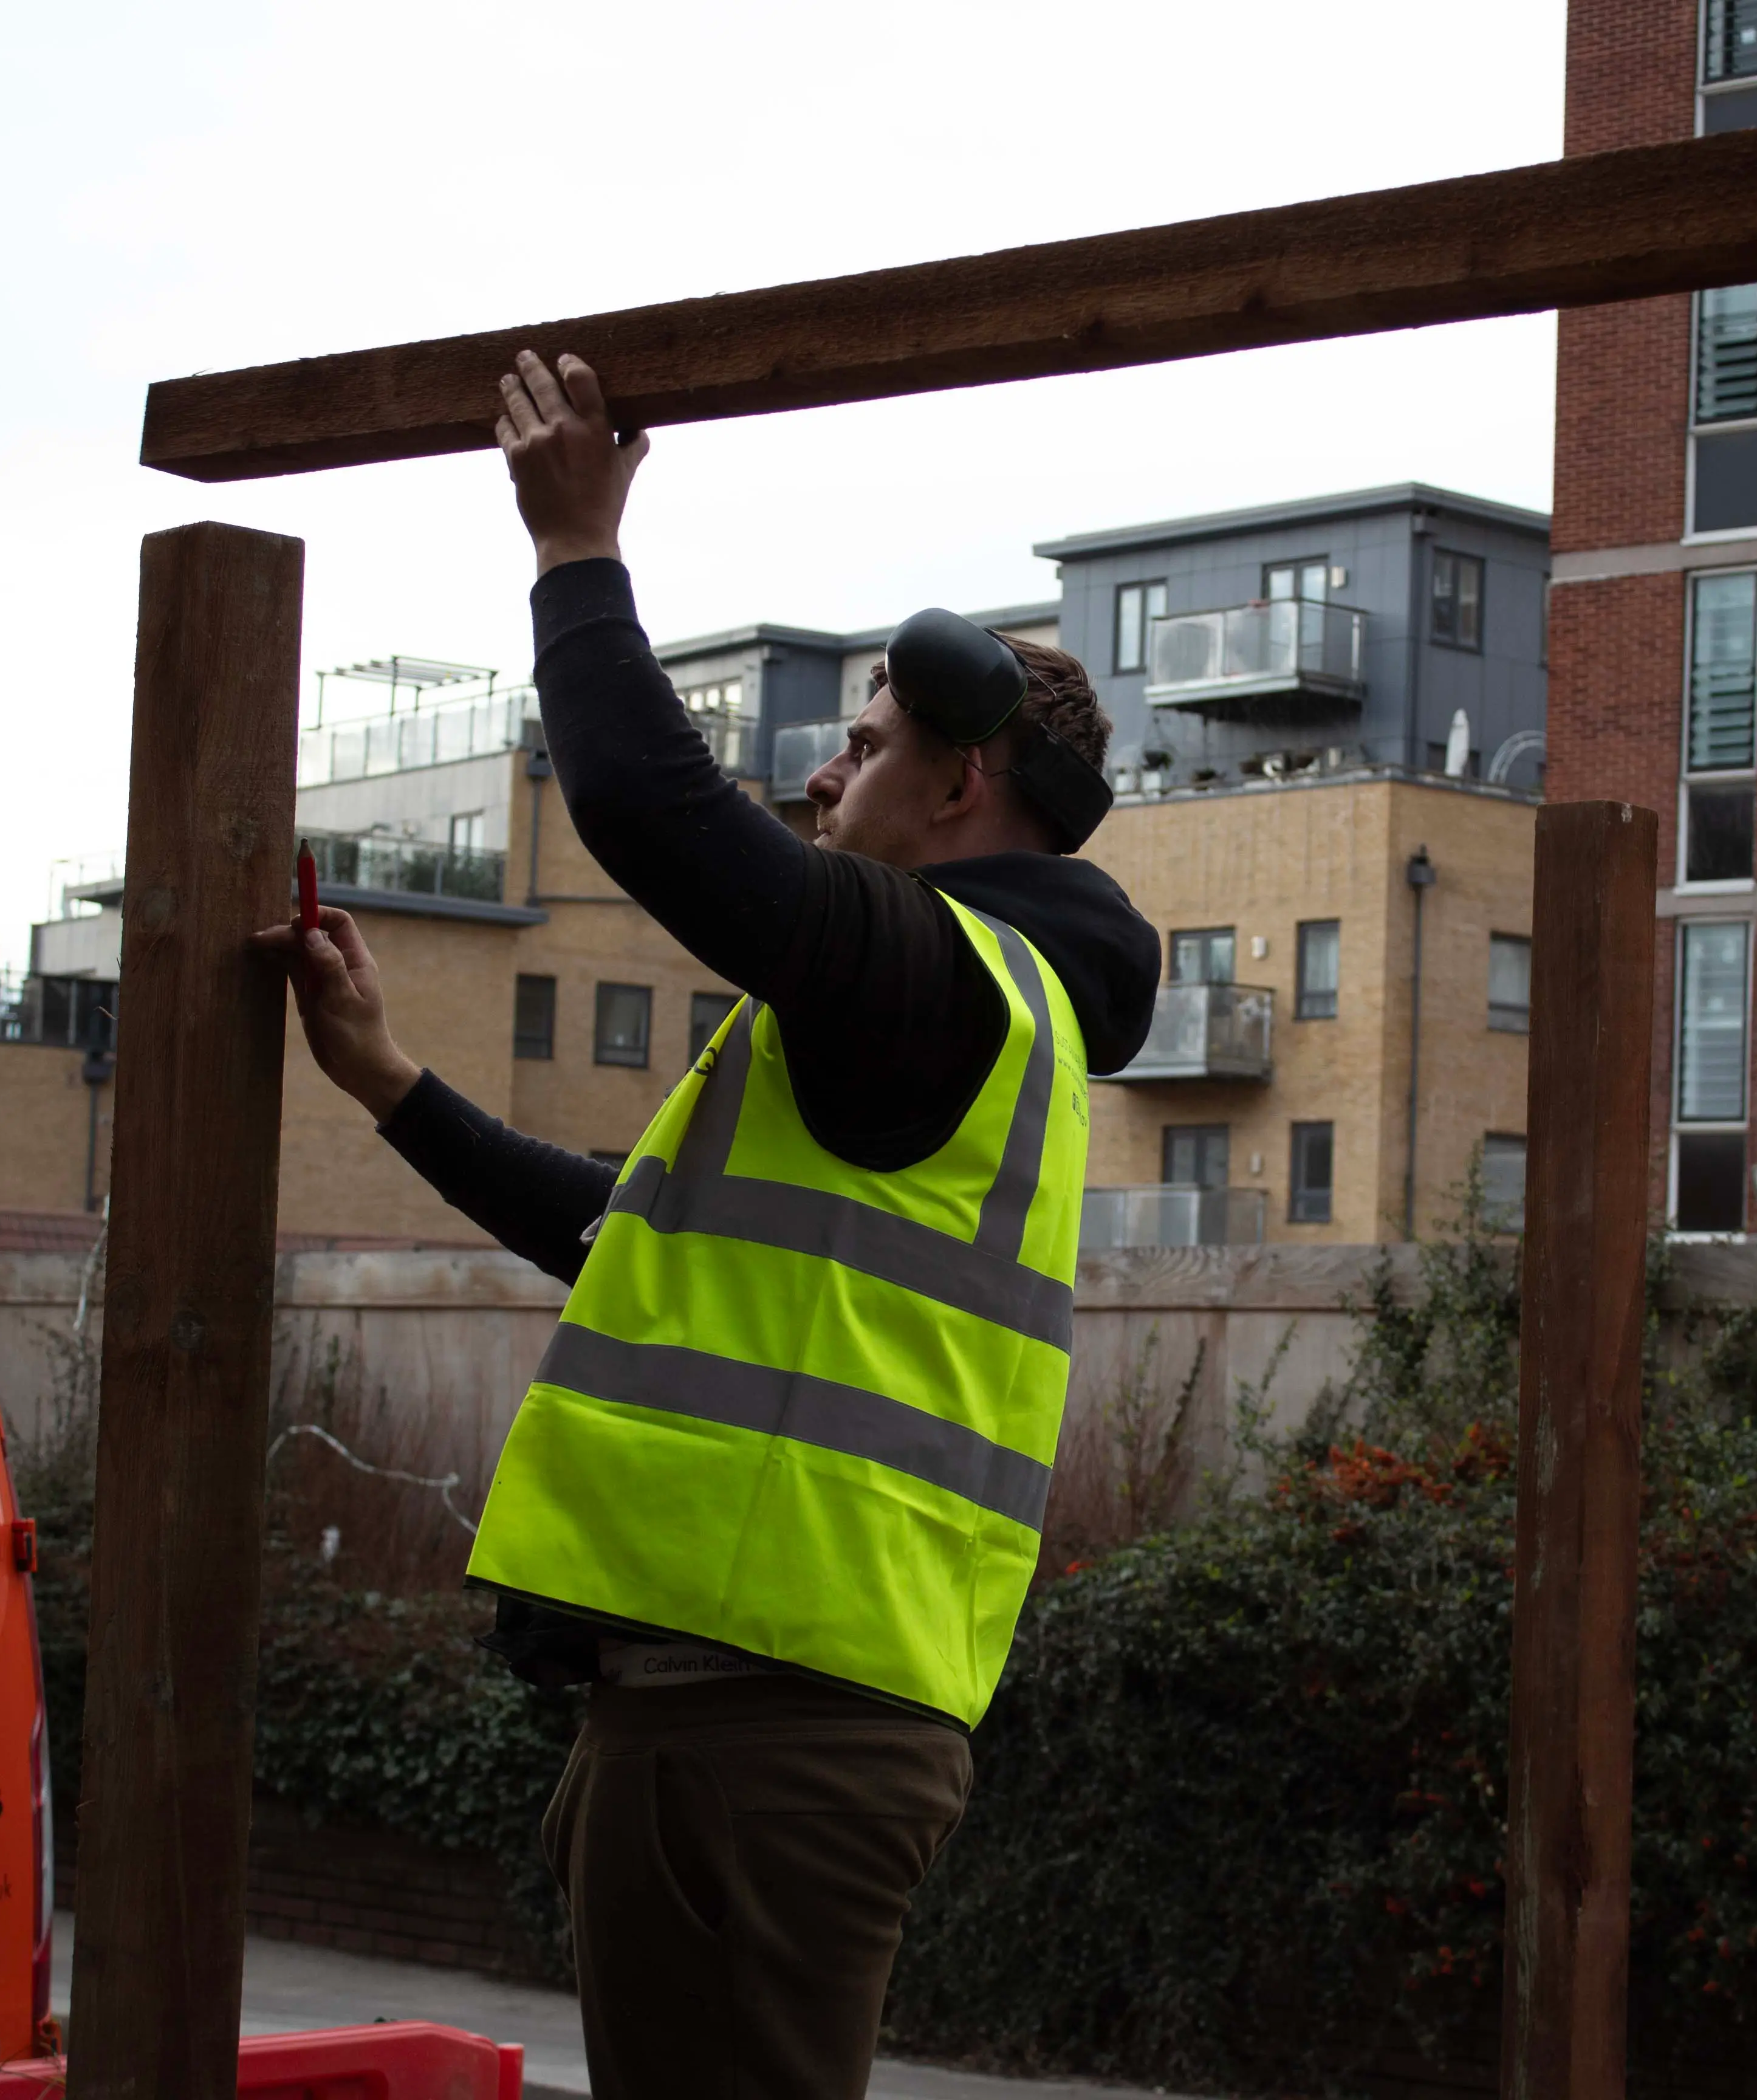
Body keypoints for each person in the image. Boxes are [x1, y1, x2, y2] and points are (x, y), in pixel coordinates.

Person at [260, 349, 1160, 2100]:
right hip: (775, 1712)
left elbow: (650, 815)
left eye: (870, 742)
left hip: (765, 1723)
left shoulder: (938, 978)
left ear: (964, 781)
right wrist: (393, 1087)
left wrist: (576, 548)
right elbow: (638, 1240)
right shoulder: (978, 1022)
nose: (827, 781)